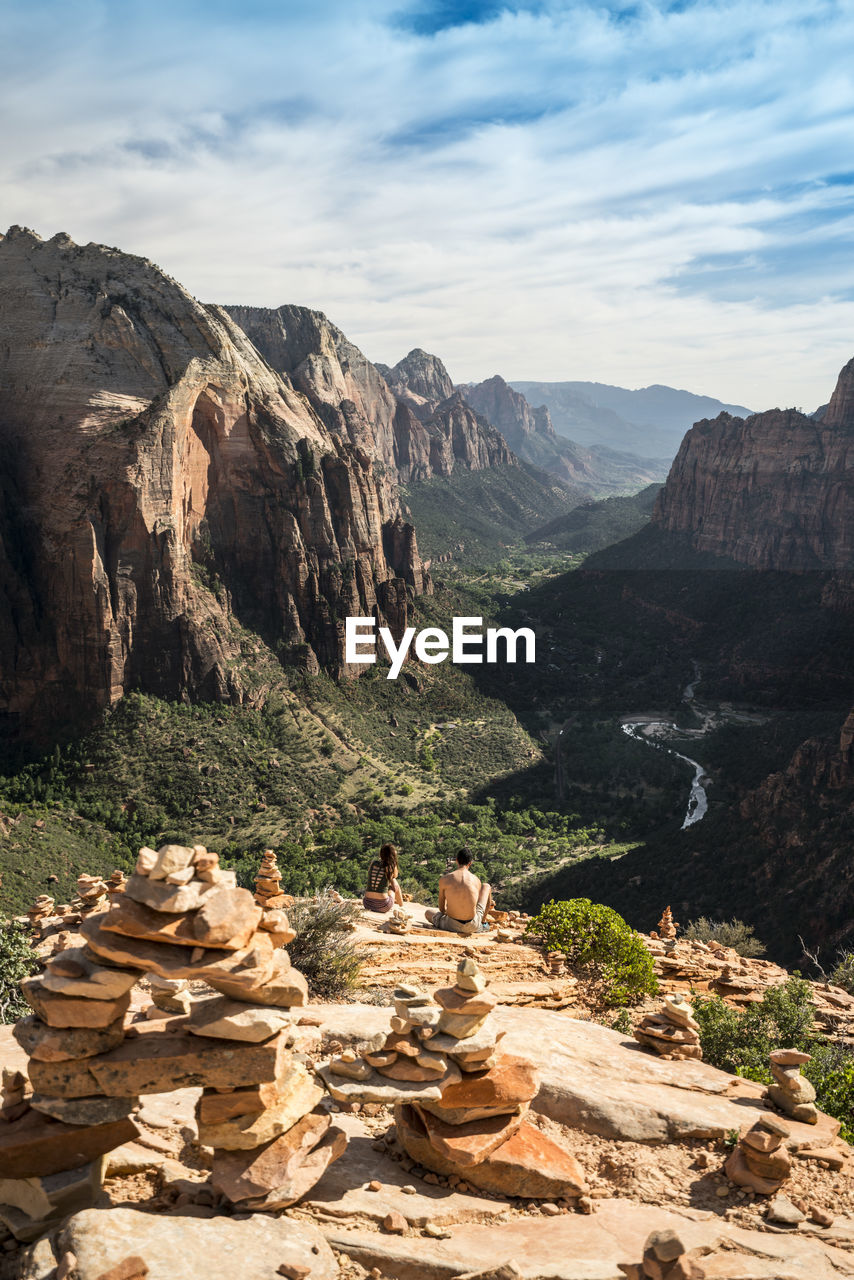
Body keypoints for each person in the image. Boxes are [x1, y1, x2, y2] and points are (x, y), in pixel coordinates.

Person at [426, 849, 493, 935]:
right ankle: (483, 923)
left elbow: (442, 909)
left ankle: (479, 923)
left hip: (451, 925)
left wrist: (449, 912)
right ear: (470, 863)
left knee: (428, 913)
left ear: (456, 861)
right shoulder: (476, 880)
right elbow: (474, 904)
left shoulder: (445, 879)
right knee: (487, 886)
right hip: (473, 925)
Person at [363, 842, 403, 914]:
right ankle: (402, 906)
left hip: (367, 904)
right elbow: (395, 878)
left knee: (389, 882)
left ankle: (400, 906)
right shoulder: (390, 868)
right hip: (383, 906)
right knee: (394, 882)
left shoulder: (373, 863)